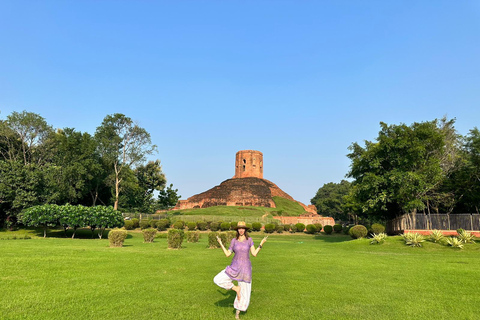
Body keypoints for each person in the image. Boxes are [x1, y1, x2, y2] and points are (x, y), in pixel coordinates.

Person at [213, 221, 268, 319]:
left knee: (245, 293)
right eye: (239, 228)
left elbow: (254, 253)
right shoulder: (234, 240)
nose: (241, 230)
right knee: (217, 279)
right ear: (237, 230)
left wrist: (261, 244)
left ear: (245, 230)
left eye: (243, 228)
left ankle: (237, 313)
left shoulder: (249, 240)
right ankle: (236, 288)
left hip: (245, 269)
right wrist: (221, 243)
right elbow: (227, 254)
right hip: (234, 267)